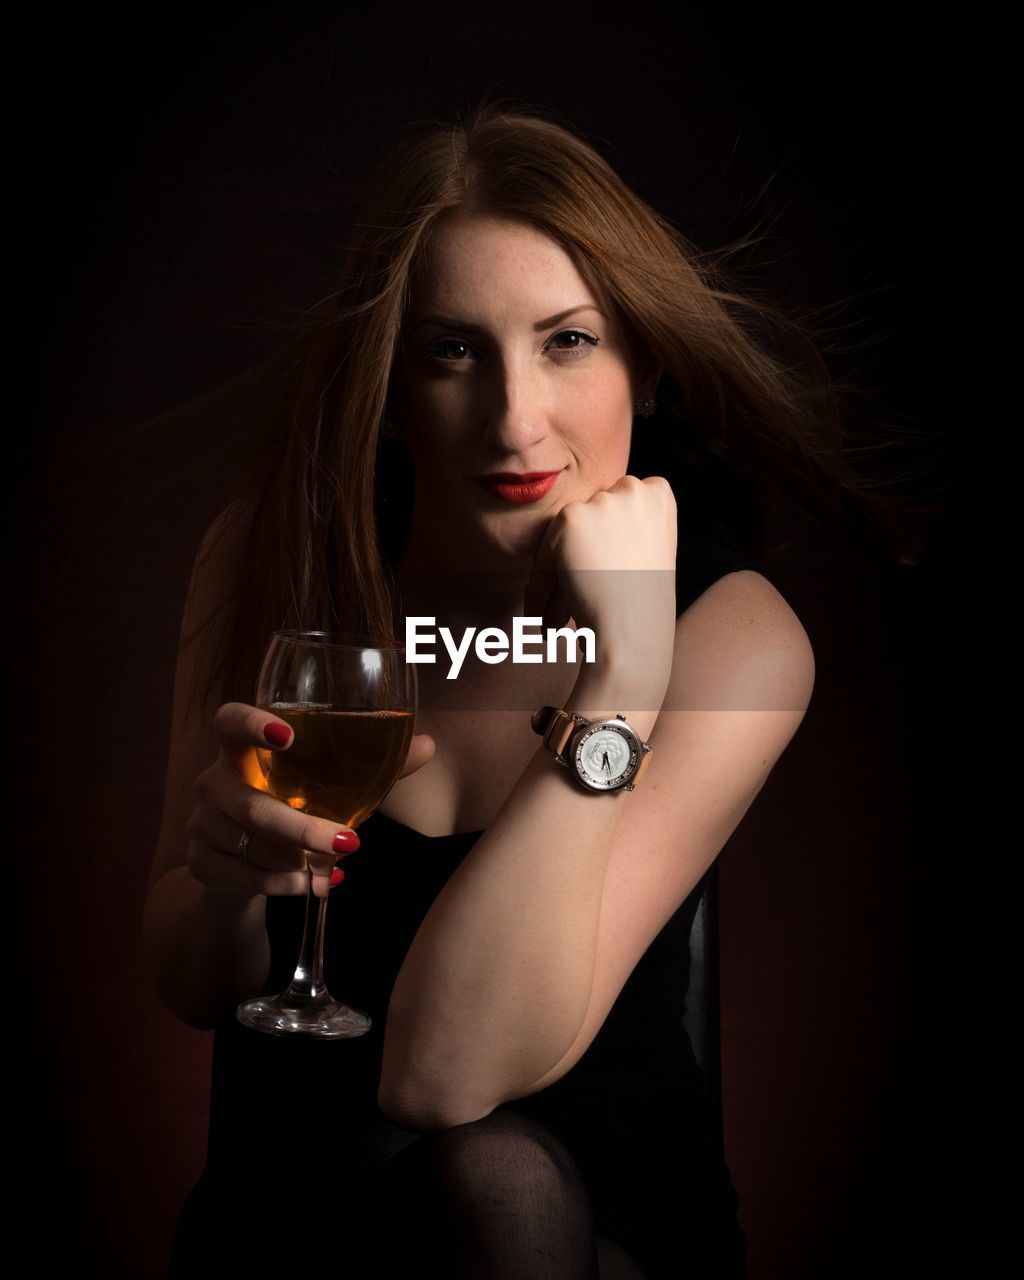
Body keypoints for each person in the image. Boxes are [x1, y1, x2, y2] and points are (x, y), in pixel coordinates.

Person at [143, 102, 897, 1279]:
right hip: (295, 1212)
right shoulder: (272, 559)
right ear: (390, 384)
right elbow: (189, 980)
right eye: (453, 349)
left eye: (567, 341)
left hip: (587, 1226)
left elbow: (439, 1078)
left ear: (643, 360)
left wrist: (626, 671)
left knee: (496, 1179)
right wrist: (231, 883)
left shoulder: (731, 635)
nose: (514, 419)